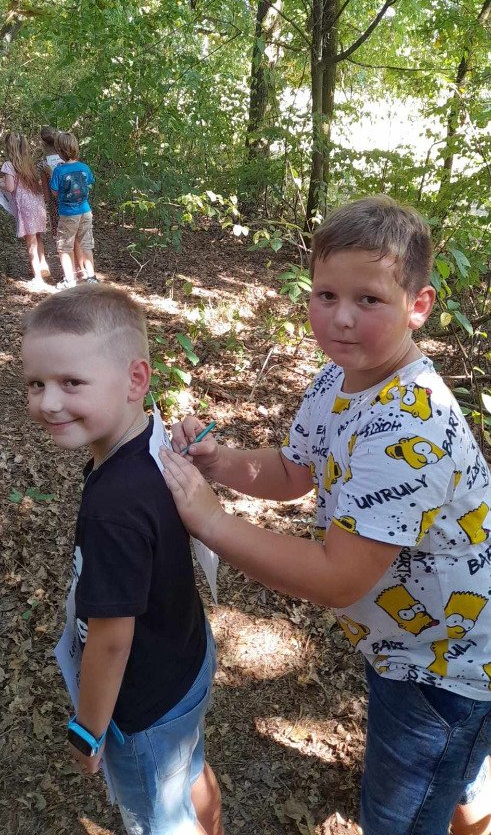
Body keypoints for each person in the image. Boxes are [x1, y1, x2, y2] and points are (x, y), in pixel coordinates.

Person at [161, 196, 491, 835]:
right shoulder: (337, 379)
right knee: (460, 772)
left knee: (400, 815)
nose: (340, 317)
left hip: (444, 666)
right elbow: (293, 472)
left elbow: (338, 577)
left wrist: (211, 522)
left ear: (418, 306)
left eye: (368, 299)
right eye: (326, 295)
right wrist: (218, 463)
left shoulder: (410, 424)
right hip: (409, 639)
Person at [21, 284, 223, 835]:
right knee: (190, 768)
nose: (48, 402)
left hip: (145, 704)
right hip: (187, 659)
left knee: (161, 817)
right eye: (36, 383)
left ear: (136, 381)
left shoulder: (112, 508)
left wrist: (89, 729)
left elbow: (111, 640)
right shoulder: (153, 442)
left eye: (71, 383)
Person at [0, 130, 50, 290]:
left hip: (25, 207)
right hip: (38, 204)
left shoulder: (8, 165)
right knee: (38, 237)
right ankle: (43, 265)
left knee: (30, 243)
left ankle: (38, 278)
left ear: (9, 147)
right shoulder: (28, 164)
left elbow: (10, 187)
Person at [38, 125, 87, 281]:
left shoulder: (43, 165)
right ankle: (81, 269)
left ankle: (70, 275)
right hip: (78, 205)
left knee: (65, 241)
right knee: (77, 238)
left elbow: (47, 194)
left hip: (59, 207)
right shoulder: (72, 160)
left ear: (43, 144)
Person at [50, 131, 97, 289]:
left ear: (59, 151)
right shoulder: (84, 167)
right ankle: (91, 277)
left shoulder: (59, 170)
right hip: (85, 211)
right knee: (86, 244)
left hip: (68, 213)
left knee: (65, 246)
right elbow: (89, 183)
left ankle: (70, 280)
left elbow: (54, 191)